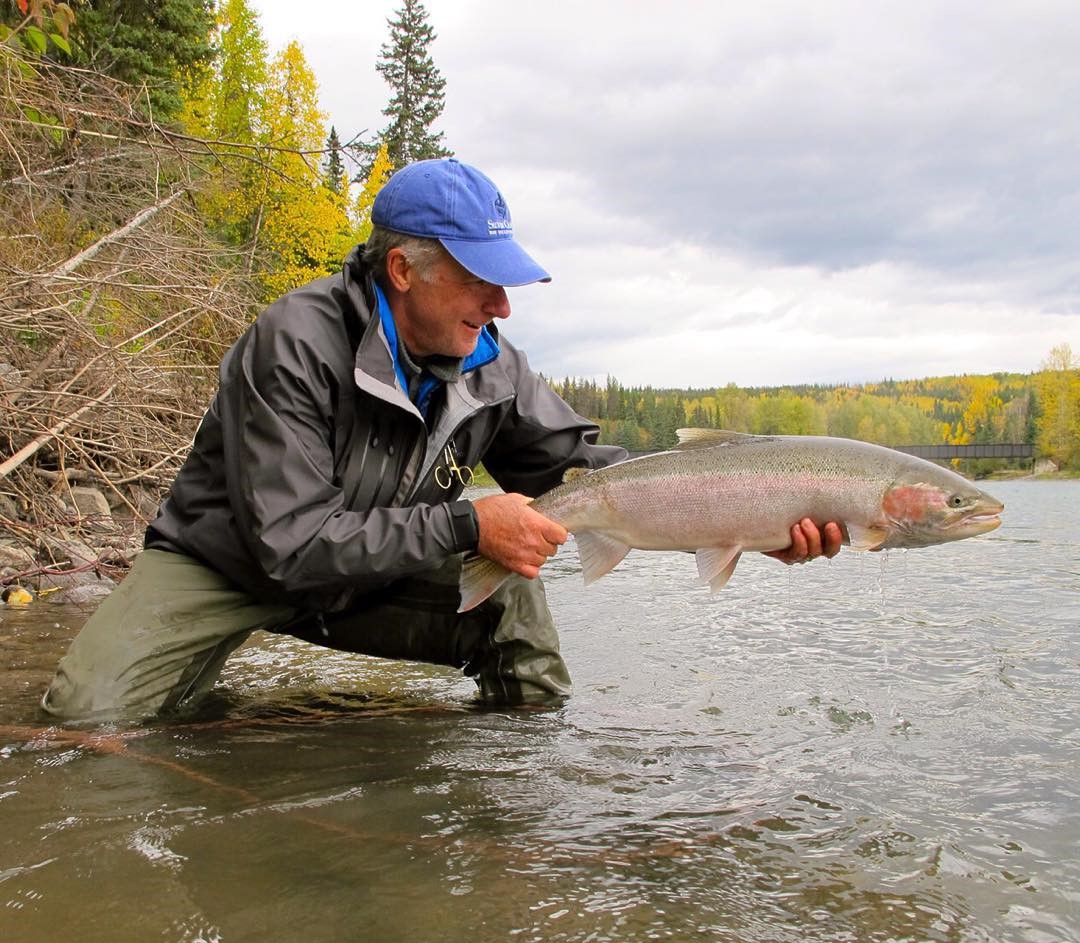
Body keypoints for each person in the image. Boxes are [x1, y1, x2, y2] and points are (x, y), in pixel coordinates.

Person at [41, 158, 842, 720]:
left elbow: (593, 475)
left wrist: (746, 512)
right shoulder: (292, 343)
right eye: (481, 279)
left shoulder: (494, 368)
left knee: (514, 594)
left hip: (373, 577)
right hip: (228, 567)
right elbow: (290, 543)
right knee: (82, 723)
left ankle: (510, 809)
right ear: (403, 269)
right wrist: (467, 523)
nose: (502, 304)